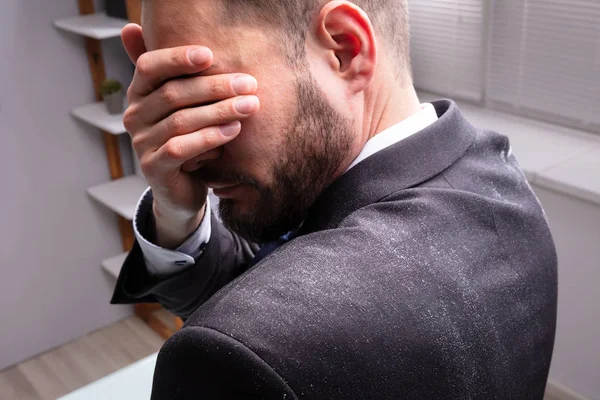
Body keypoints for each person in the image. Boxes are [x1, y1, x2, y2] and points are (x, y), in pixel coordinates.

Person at [111, 0, 558, 398]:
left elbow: (267, 319)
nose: (186, 147)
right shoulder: (504, 185)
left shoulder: (235, 352)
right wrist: (177, 216)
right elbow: (268, 282)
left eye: (197, 86)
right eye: (168, 96)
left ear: (345, 50)